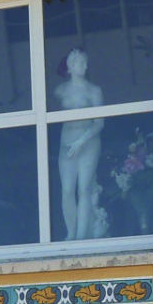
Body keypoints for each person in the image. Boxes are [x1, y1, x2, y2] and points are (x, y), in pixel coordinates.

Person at [54, 48, 104, 240]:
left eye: (85, 62)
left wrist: (81, 141)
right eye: (81, 62)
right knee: (67, 190)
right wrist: (72, 143)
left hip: (88, 141)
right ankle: (71, 232)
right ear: (71, 66)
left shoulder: (94, 90)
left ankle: (82, 236)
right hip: (66, 143)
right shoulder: (60, 90)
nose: (85, 66)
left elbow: (99, 123)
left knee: (84, 188)